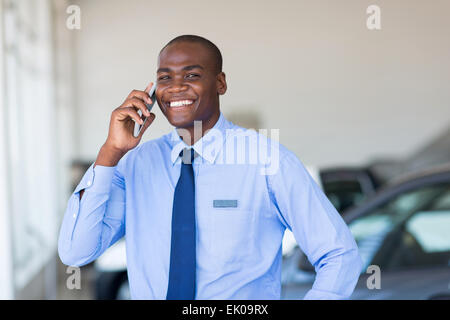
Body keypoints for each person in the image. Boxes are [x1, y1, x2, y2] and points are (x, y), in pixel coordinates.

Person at [58, 34, 362, 300]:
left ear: (220, 83)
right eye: (164, 78)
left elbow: (339, 255)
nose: (175, 88)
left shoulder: (268, 162)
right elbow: (76, 251)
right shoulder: (135, 165)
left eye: (191, 75)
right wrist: (110, 152)